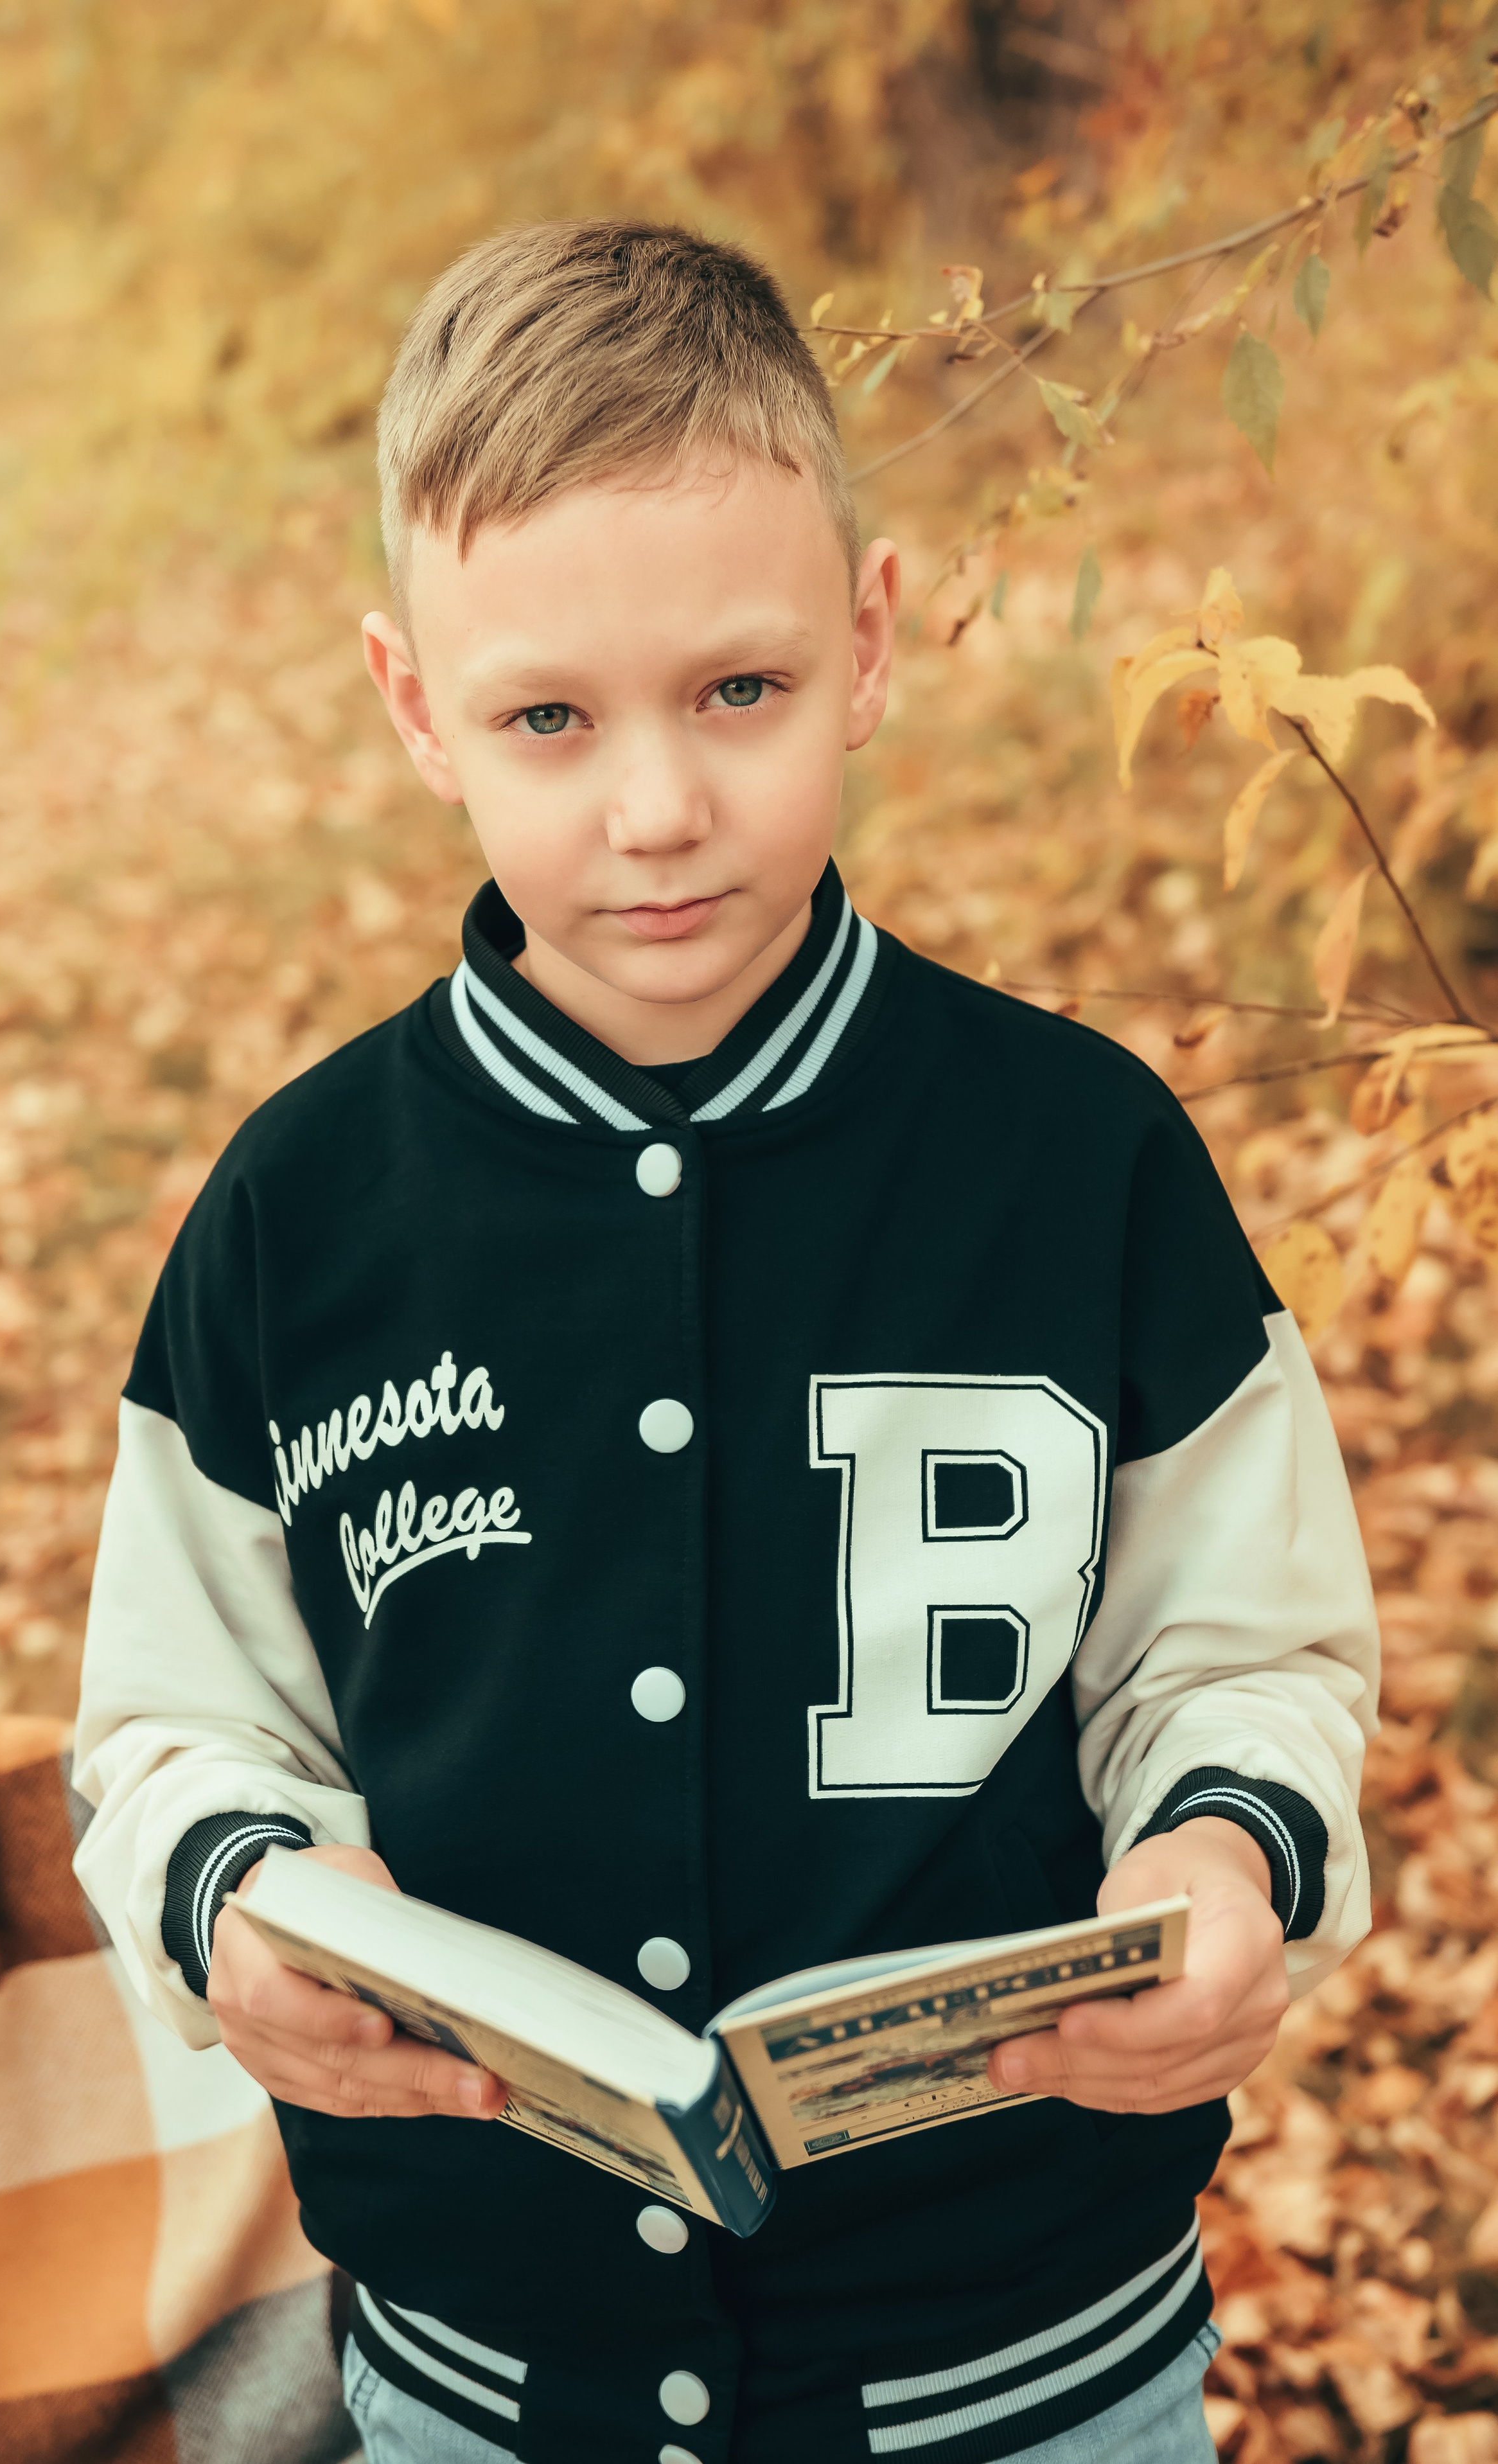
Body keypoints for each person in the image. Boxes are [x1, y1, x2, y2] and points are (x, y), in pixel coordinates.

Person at [71, 219, 1379, 2464]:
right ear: (416, 706)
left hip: (1041, 2381)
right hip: (488, 2392)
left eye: (739, 692)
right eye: (548, 720)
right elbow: (177, 1721)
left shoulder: (1086, 1158)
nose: (656, 807)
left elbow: (1247, 1649)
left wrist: (1227, 1859)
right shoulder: (302, 1211)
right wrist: (236, 1901)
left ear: (867, 646)